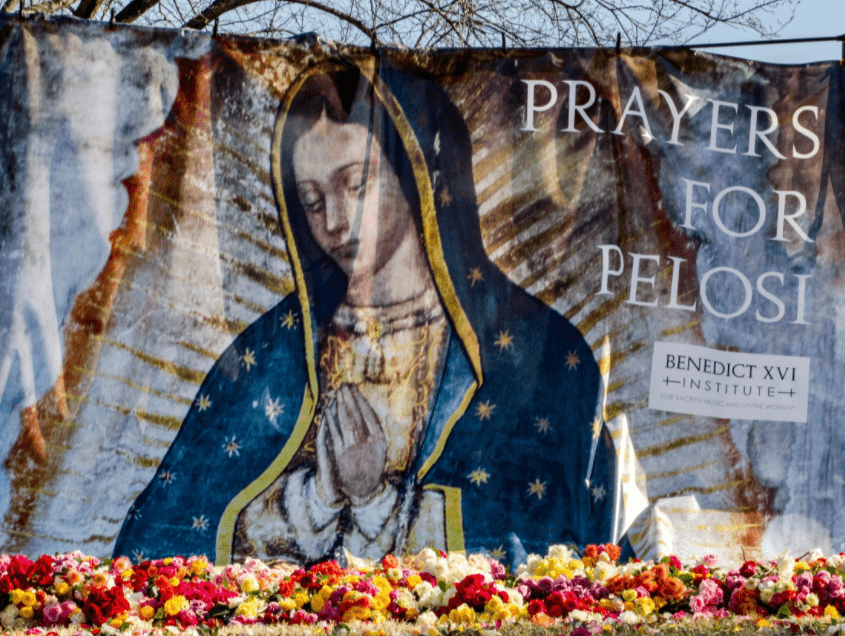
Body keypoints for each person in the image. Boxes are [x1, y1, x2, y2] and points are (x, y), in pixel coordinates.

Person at [113, 58, 615, 566]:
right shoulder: (273, 352)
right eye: (311, 201)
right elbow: (171, 528)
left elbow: (544, 532)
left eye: (356, 185)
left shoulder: (536, 355)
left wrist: (376, 500)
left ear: (416, 174)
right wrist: (318, 497)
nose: (334, 221)